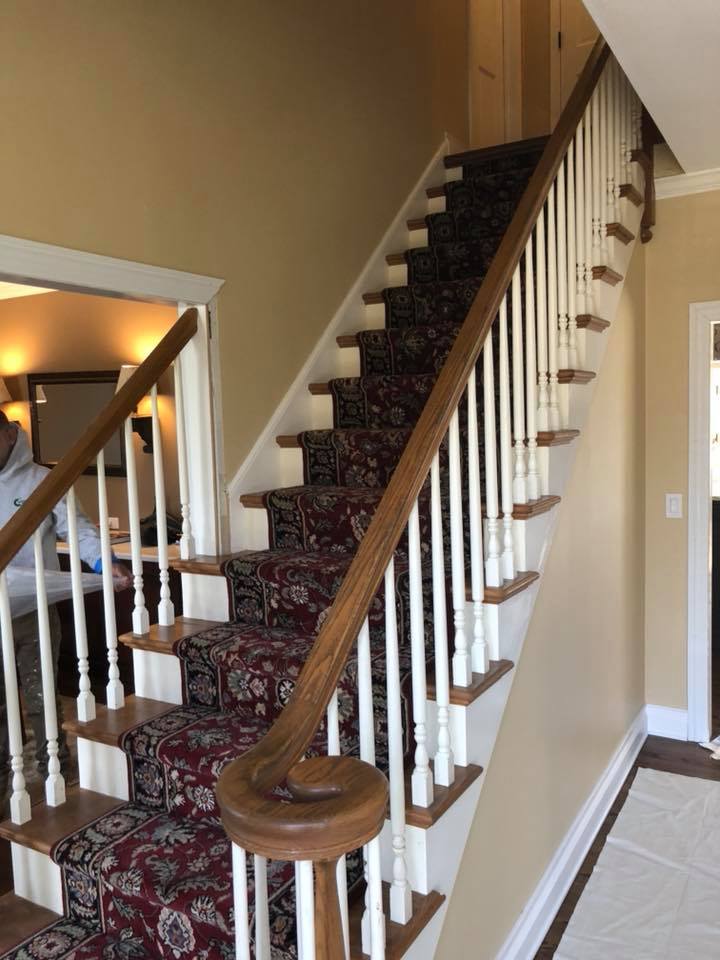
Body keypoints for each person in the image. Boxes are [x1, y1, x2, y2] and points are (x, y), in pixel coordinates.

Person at [0, 412, 132, 803]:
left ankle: (57, 772)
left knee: (40, 698)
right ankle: (5, 782)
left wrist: (104, 563)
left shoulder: (42, 480)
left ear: (10, 435)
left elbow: (79, 529)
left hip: (32, 611)